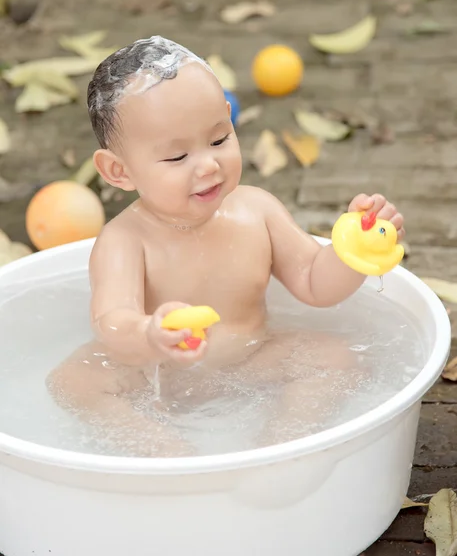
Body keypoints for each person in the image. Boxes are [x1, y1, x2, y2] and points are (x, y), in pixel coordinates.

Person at [47, 36, 405, 456]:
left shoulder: (257, 210)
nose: (208, 164)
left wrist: (354, 250)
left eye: (219, 140)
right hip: (153, 376)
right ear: (118, 171)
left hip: (250, 362)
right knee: (73, 382)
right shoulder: (125, 240)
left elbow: (314, 284)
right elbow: (112, 323)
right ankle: (163, 452)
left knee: (336, 357)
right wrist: (150, 332)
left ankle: (284, 446)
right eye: (177, 157)